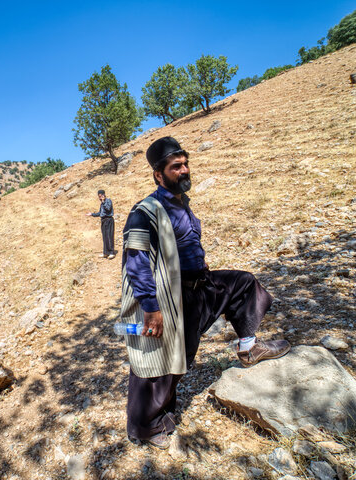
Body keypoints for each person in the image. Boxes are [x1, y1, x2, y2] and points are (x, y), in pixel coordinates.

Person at [119, 136, 290, 449]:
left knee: (243, 284)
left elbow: (186, 243)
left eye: (186, 164)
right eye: (176, 167)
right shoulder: (144, 212)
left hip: (201, 285)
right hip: (172, 299)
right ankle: (144, 427)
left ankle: (249, 346)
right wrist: (151, 308)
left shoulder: (182, 202)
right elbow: (136, 262)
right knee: (160, 360)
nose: (184, 170)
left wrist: (200, 260)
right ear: (159, 174)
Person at [86, 189, 118, 259]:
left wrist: (103, 202)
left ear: (104, 195)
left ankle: (111, 252)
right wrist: (92, 214)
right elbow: (100, 213)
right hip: (103, 221)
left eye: (101, 196)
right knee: (105, 237)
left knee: (109, 236)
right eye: (99, 197)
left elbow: (108, 209)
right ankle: (106, 253)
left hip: (109, 220)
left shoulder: (108, 201)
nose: (100, 198)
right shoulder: (102, 204)